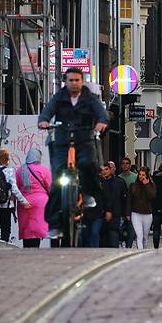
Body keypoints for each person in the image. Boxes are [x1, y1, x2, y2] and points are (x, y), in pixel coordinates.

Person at [37, 67, 108, 238]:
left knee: (88, 164)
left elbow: (101, 114)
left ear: (82, 81)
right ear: (65, 81)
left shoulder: (90, 98)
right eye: (71, 80)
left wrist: (101, 123)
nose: (74, 83)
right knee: (56, 181)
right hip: (62, 142)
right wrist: (44, 121)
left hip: (84, 140)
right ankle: (54, 225)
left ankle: (88, 193)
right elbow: (47, 112)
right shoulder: (59, 98)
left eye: (77, 80)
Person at [15, 149, 52, 248]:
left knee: (27, 231)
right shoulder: (43, 170)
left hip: (24, 203)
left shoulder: (19, 170)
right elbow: (50, 187)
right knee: (37, 230)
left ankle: (27, 250)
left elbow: (16, 188)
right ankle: (35, 250)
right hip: (40, 203)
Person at [127, 168, 156, 249]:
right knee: (139, 235)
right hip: (136, 213)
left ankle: (145, 251)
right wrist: (127, 213)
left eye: (143, 175)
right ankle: (139, 251)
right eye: (140, 174)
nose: (141, 176)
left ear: (147, 176)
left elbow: (152, 197)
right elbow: (129, 201)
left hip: (147, 214)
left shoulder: (151, 185)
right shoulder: (133, 186)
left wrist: (146, 185)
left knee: (145, 237)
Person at [100, 162, 128, 247]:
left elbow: (121, 198)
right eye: (102, 170)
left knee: (113, 235)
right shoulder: (99, 182)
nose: (104, 172)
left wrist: (124, 213)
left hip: (115, 214)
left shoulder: (118, 182)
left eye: (106, 169)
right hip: (100, 213)